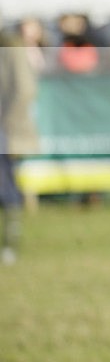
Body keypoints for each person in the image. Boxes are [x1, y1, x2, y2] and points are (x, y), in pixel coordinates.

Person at [0, 23, 38, 265]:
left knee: (5, 187)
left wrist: (8, 123)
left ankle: (9, 245)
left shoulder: (10, 46)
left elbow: (24, 89)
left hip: (4, 126)